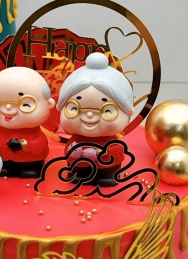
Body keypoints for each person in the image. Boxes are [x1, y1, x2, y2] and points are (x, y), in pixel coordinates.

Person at [57, 52, 134, 186]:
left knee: (107, 176)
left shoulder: (112, 141)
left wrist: (103, 153)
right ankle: (78, 175)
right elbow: (70, 149)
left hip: (107, 168)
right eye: (75, 108)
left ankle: (107, 176)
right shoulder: (76, 140)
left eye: (107, 110)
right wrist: (77, 151)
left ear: (128, 113)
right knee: (76, 174)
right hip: (78, 166)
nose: (89, 115)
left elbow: (116, 151)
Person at [0, 67, 56, 178]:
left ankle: (31, 169)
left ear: (48, 104)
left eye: (25, 104)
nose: (8, 109)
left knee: (30, 168)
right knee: (2, 168)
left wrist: (23, 145)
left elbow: (40, 143)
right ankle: (5, 168)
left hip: (29, 161)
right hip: (3, 159)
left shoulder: (33, 131)